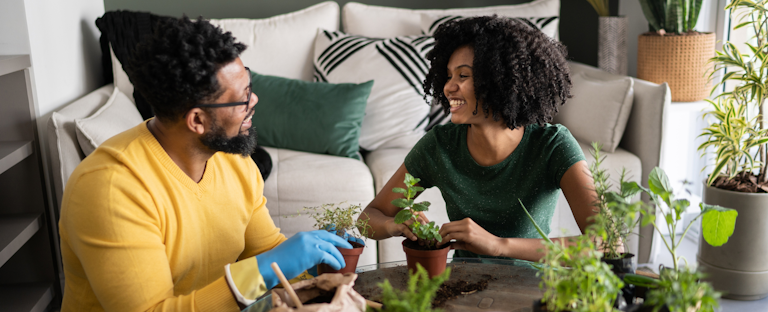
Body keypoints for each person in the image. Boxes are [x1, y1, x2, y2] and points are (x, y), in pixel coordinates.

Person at [58, 16, 350, 312]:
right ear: (197, 120)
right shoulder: (112, 189)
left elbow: (266, 250)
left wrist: (317, 261)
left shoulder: (234, 161)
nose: (255, 100)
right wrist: (261, 270)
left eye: (249, 87)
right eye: (242, 98)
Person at [360, 16, 598, 262]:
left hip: (534, 291)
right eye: (449, 76)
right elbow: (369, 217)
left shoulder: (551, 145)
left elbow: (607, 243)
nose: (448, 87)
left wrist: (497, 245)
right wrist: (394, 225)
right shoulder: (440, 145)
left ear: (500, 80)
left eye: (463, 76)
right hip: (464, 288)